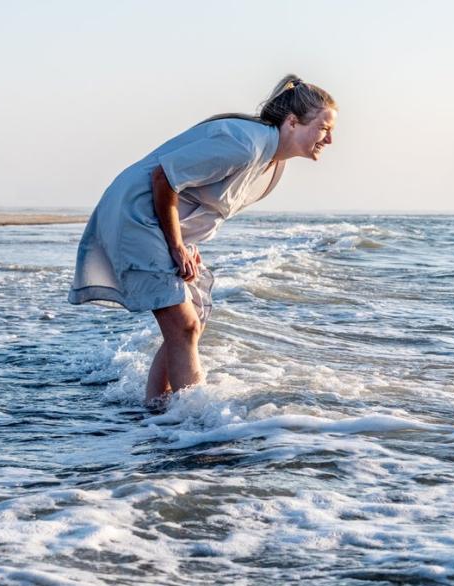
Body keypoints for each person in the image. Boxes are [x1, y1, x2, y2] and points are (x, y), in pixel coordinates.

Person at [69, 75, 337, 411]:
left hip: (159, 219)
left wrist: (185, 242)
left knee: (193, 319)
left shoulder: (272, 165)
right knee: (184, 325)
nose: (330, 139)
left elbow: (199, 198)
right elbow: (164, 178)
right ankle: (191, 425)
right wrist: (175, 245)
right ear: (293, 122)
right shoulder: (246, 144)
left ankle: (157, 412)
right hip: (135, 213)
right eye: (324, 128)